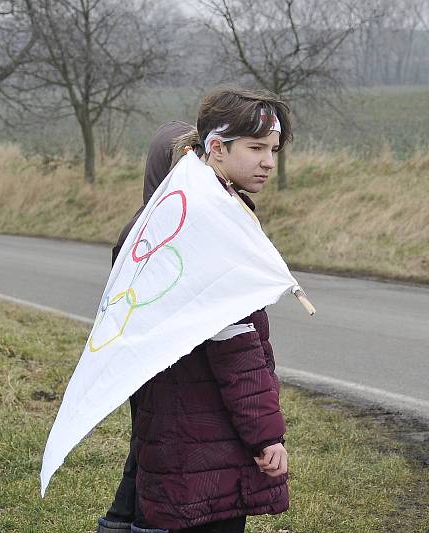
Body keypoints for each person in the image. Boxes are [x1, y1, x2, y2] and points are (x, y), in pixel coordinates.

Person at [96, 86, 293, 533]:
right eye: (257, 148)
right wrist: (266, 434)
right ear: (217, 149)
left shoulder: (167, 223)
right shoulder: (206, 229)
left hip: (174, 416)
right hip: (207, 426)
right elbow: (236, 346)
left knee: (153, 503)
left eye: (274, 149)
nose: (269, 161)